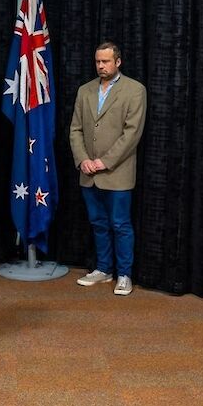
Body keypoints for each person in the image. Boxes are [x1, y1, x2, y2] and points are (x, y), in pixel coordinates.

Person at [69, 41, 146, 296]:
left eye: (106, 61)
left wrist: (105, 161)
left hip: (117, 173)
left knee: (120, 224)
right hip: (88, 173)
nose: (101, 66)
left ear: (118, 62)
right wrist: (83, 160)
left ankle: (124, 274)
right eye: (98, 61)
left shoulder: (135, 90)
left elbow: (132, 133)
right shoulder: (85, 90)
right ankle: (103, 269)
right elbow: (76, 129)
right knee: (98, 223)